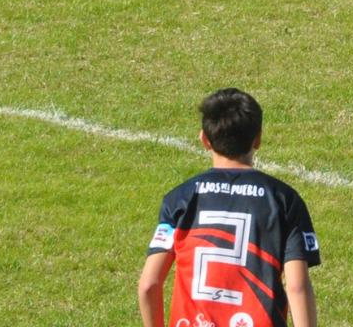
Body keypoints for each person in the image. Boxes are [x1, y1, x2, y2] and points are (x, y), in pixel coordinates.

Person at [137, 88, 321, 327]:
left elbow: (149, 284)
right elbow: (297, 287)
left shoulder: (180, 198)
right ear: (258, 139)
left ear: (204, 139)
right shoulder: (284, 199)